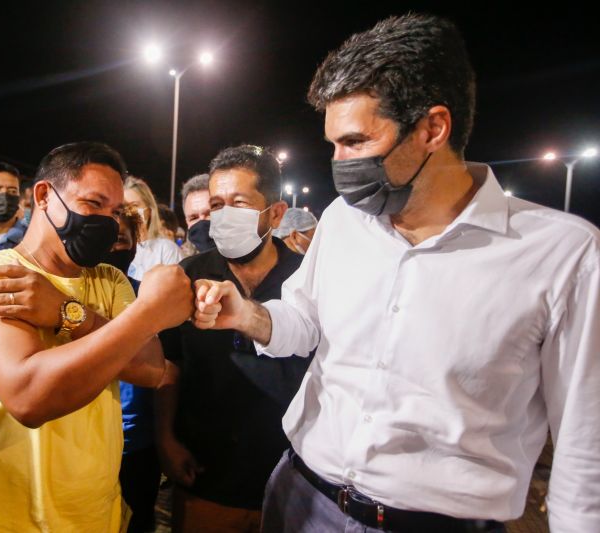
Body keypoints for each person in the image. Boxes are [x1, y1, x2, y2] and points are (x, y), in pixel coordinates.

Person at [193, 14, 600, 533]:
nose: (338, 163)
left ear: (433, 128)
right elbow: (306, 319)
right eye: (333, 145)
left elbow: (585, 446)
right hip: (301, 497)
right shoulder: (343, 221)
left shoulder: (564, 256)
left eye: (356, 142)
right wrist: (250, 316)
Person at [0, 142, 194, 532]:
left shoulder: (109, 280)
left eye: (115, 211)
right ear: (43, 196)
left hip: (93, 513)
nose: (108, 222)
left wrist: (66, 313)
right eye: (93, 203)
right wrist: (147, 313)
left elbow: (151, 367)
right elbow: (30, 396)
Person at [157, 145, 310, 533]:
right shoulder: (187, 275)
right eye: (216, 204)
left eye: (238, 204)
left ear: (274, 214)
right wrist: (166, 440)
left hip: (291, 478)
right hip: (207, 473)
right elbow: (169, 364)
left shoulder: (307, 278)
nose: (223, 216)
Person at [106, 208, 164, 533]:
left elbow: (163, 371)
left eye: (120, 240)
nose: (112, 248)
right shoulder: (66, 299)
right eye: (105, 239)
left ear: (135, 244)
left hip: (137, 445)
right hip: (84, 445)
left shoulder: (150, 297)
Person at [124, 176, 183, 280]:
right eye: (124, 207)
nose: (129, 211)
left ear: (149, 210)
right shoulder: (116, 249)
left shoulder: (166, 250)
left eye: (135, 205)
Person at [180, 173, 214, 256]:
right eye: (194, 218)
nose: (202, 222)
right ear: (187, 222)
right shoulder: (183, 265)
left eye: (209, 214)